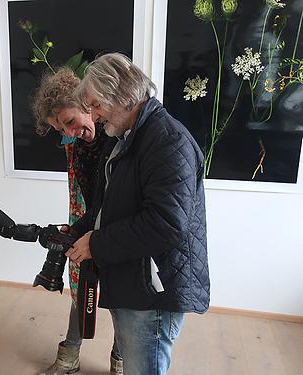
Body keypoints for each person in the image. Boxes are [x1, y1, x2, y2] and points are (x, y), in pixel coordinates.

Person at [64, 52, 210, 375]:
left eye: (96, 105)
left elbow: (166, 224)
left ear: (122, 95)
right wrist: (77, 230)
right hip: (136, 285)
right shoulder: (128, 137)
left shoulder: (167, 141)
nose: (94, 116)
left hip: (154, 297)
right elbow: (111, 205)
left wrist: (97, 244)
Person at [31, 67, 123, 375]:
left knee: (124, 300)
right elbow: (80, 189)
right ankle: (69, 355)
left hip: (121, 226)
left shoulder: (120, 135)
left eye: (70, 122)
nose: (68, 132)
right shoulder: (74, 144)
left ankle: (121, 360)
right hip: (86, 220)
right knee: (81, 290)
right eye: (60, 129)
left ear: (88, 103)